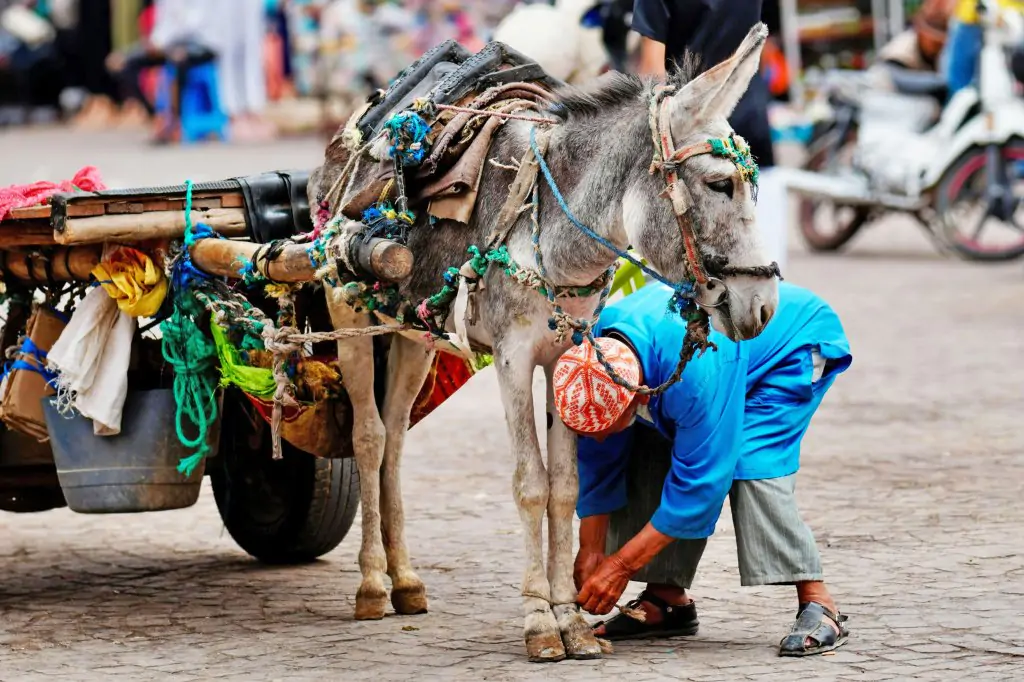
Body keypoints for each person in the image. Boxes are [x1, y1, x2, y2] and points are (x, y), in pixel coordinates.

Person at [553, 281, 852, 656]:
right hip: (706, 359)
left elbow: (700, 485)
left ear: (639, 394)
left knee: (749, 459)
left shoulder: (695, 374)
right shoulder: (596, 353)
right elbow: (599, 457)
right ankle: (667, 600)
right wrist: (591, 549)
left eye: (604, 430)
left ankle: (820, 603)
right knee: (644, 446)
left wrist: (620, 566)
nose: (597, 439)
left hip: (789, 345)